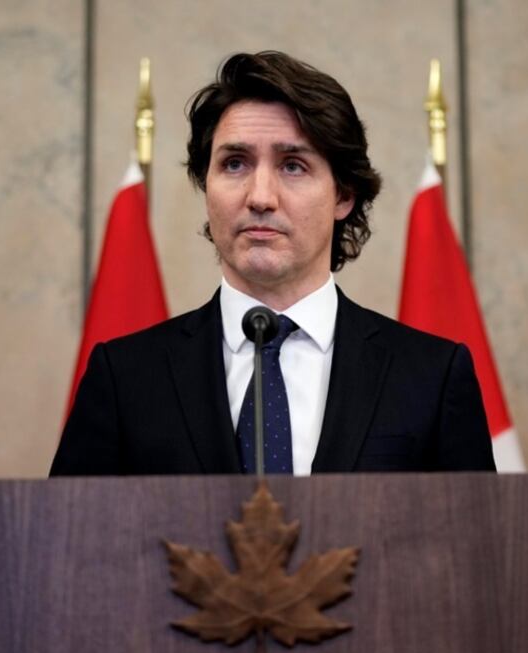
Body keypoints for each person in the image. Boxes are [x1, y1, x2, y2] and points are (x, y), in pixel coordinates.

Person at [50, 51, 495, 476]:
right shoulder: (124, 376)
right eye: (235, 163)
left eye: (293, 165)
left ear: (343, 194)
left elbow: (478, 547)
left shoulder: (432, 376)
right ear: (206, 186)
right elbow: (68, 545)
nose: (260, 197)